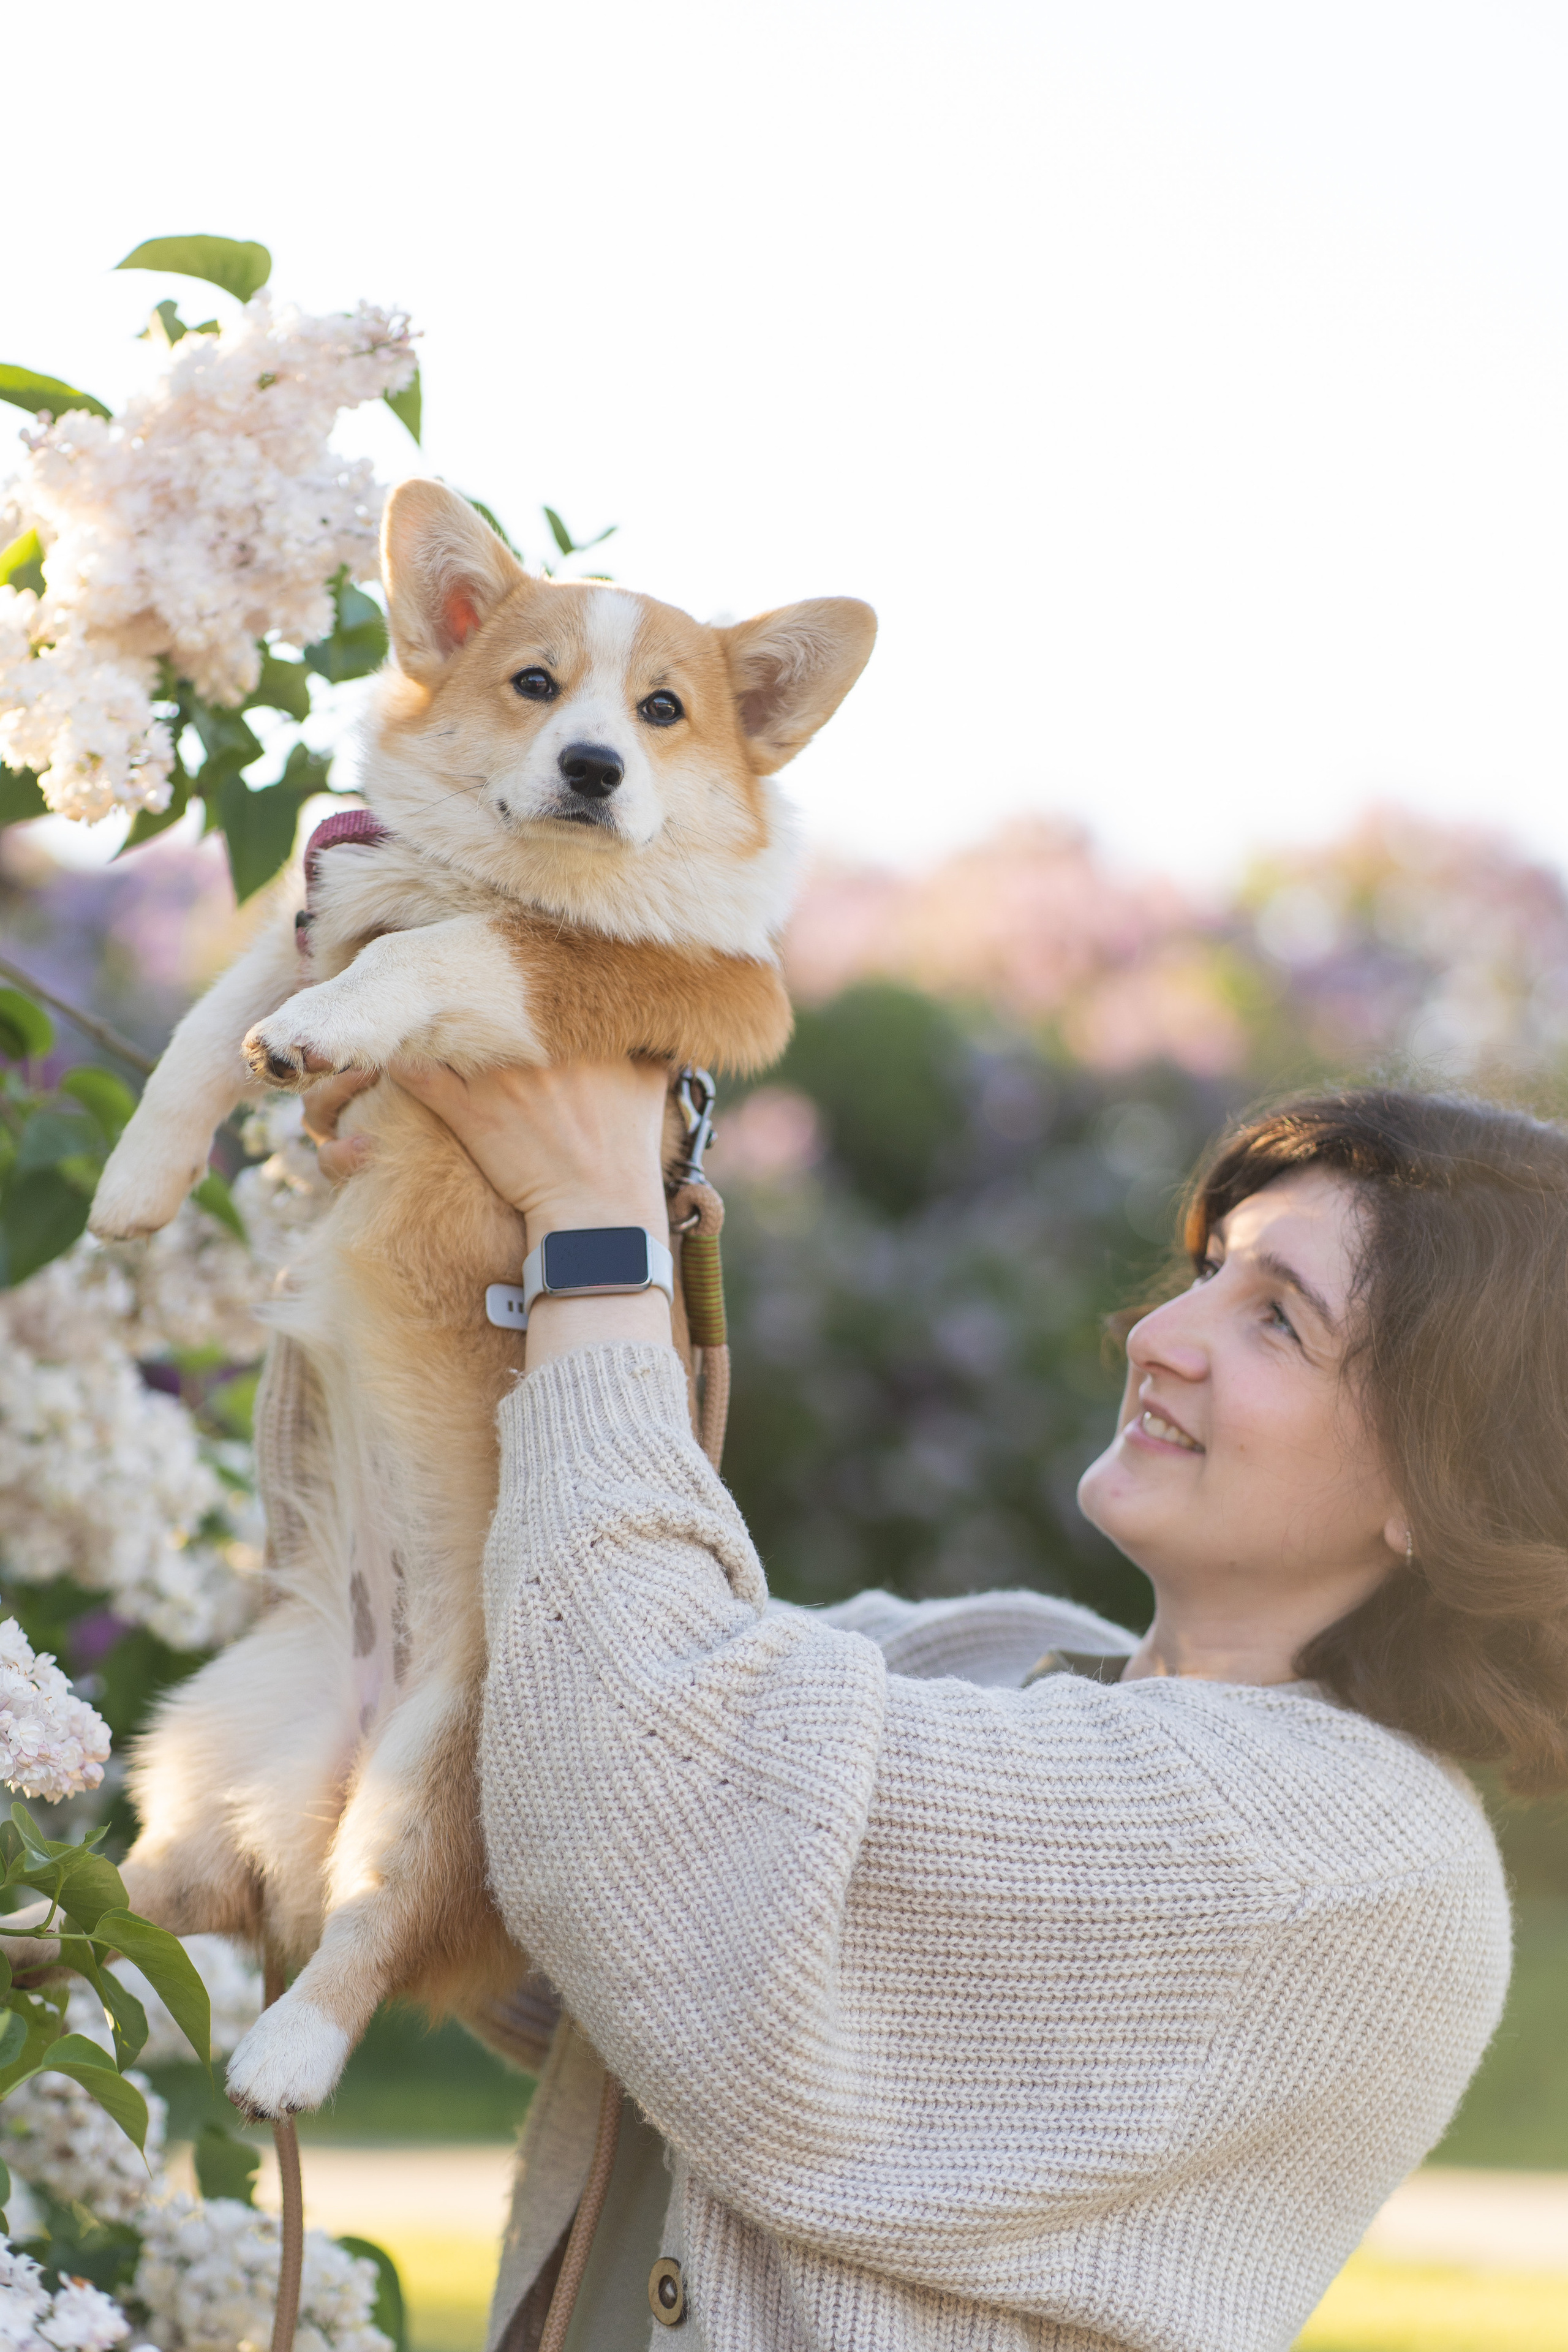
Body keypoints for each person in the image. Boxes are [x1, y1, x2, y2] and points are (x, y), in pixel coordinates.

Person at [312, 1068, 1564, 2352]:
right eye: (1207, 1274)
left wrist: (595, 1232)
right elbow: (522, 1840)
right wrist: (435, 1235)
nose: (1158, 1338)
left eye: (1277, 1322)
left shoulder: (1349, 1856)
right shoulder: (991, 1662)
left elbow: (633, 1797)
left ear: (1442, 1474)